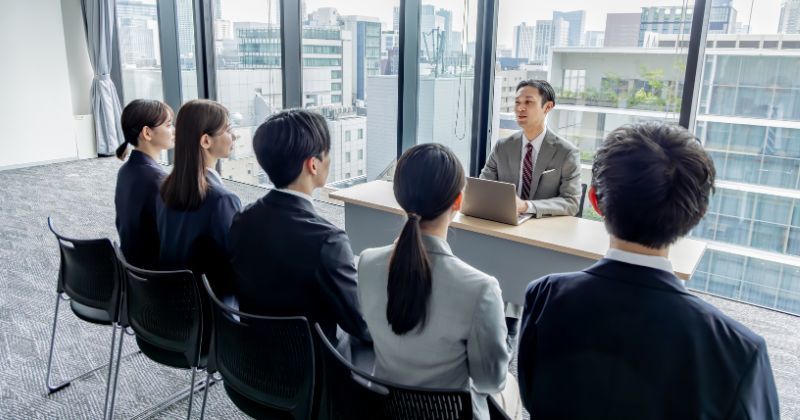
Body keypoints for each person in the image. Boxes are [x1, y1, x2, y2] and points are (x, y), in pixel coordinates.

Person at [517, 122, 780, 419]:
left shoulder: (545, 296)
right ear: (698, 213)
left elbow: (531, 399)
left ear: (594, 201)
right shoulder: (739, 350)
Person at [358, 143, 522, 420]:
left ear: (400, 197)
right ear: (458, 203)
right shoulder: (480, 289)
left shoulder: (366, 262)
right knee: (511, 386)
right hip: (451, 415)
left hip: (386, 410)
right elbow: (490, 382)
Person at [229, 108, 370, 343]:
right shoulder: (328, 240)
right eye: (327, 152)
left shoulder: (242, 218)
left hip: (250, 361)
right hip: (312, 372)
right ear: (313, 165)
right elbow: (361, 324)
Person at [156, 99, 241, 292]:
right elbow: (235, 266)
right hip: (212, 309)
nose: (234, 136)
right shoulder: (222, 200)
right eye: (228, 129)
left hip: (171, 301)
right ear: (205, 141)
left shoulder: (165, 188)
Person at [480, 79, 581, 217]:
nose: (520, 108)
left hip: (543, 229)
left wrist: (526, 206)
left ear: (547, 107)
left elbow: (571, 203)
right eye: (517, 102)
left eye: (528, 102)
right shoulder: (502, 147)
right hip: (504, 222)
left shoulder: (567, 153)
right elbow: (482, 189)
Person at [114, 99, 173, 269]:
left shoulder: (125, 170)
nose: (174, 131)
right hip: (154, 276)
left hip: (131, 269)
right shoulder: (158, 179)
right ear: (147, 133)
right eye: (169, 125)